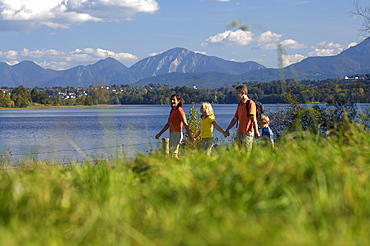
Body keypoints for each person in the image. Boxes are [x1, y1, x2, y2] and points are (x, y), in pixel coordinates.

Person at [155, 94, 193, 159]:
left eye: (174, 100)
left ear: (178, 101)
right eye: (171, 100)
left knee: (174, 155)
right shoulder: (172, 110)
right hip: (172, 133)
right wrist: (160, 133)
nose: (172, 101)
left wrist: (190, 136)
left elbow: (185, 123)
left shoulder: (179, 110)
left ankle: (184, 165)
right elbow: (168, 124)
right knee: (171, 155)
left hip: (177, 134)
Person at [225, 84, 260, 151]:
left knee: (246, 152)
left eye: (237, 93)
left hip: (248, 132)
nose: (236, 95)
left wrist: (256, 132)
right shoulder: (240, 104)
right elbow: (235, 119)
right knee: (237, 152)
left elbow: (253, 118)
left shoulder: (250, 103)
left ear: (243, 93)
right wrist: (227, 130)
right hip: (239, 132)